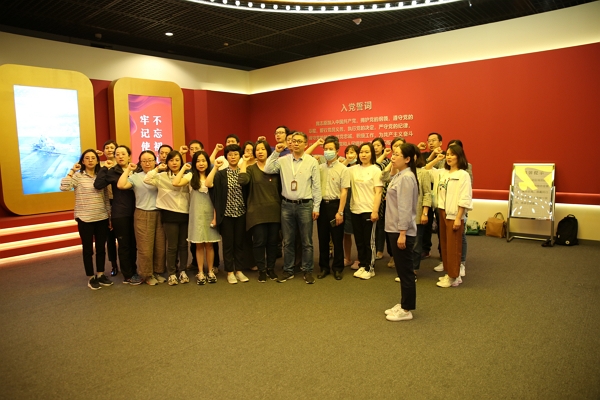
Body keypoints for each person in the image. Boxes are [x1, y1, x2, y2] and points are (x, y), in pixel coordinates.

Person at [264, 131, 321, 284]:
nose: (295, 143)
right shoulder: (283, 160)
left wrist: (316, 207)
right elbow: (268, 169)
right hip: (287, 205)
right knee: (288, 240)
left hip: (305, 205)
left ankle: (307, 270)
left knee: (307, 241)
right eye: (294, 141)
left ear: (306, 144)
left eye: (299, 141)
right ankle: (288, 270)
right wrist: (276, 152)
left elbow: (316, 186)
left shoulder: (311, 162)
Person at [60, 149, 112, 290]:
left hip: (101, 216)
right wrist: (72, 170)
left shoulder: (101, 176)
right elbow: (64, 187)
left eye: (93, 158)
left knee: (101, 248)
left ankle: (100, 274)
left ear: (97, 161)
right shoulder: (78, 176)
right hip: (85, 218)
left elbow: (106, 197)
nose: (90, 160)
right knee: (88, 249)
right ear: (82, 161)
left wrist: (109, 215)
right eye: (87, 158)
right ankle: (91, 277)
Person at [116, 150, 166, 285]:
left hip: (160, 213)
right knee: (145, 247)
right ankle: (147, 275)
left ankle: (157, 272)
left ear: (155, 161)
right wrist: (128, 169)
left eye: (150, 160)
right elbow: (121, 185)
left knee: (160, 246)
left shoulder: (160, 175)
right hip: (143, 213)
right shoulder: (136, 176)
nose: (147, 163)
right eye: (144, 161)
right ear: (140, 163)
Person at [427, 144, 473, 288]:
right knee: (446, 245)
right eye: (447, 154)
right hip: (442, 211)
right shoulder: (443, 172)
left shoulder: (463, 174)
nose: (449, 157)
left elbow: (465, 197)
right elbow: (426, 169)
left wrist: (459, 217)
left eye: (452, 154)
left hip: (454, 214)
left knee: (454, 246)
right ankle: (450, 273)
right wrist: (437, 158)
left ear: (459, 157)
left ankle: (455, 276)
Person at [94, 145, 141, 285]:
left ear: (129, 156)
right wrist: (104, 168)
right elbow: (98, 184)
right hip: (120, 213)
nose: (120, 156)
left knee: (133, 244)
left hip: (137, 211)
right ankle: (128, 275)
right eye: (117, 154)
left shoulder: (136, 170)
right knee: (124, 245)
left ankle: (134, 270)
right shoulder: (112, 172)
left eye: (123, 154)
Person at [144, 150, 192, 286]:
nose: (174, 163)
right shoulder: (162, 176)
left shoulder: (187, 175)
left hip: (185, 213)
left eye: (177, 160)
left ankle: (183, 271)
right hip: (169, 214)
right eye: (171, 160)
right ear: (167, 162)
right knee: (172, 246)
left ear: (181, 161)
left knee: (183, 245)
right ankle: (172, 273)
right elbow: (146, 179)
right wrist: (157, 168)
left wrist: (183, 170)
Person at [205, 144, 250, 284]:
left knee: (240, 243)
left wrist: (245, 162)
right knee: (228, 244)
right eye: (230, 154)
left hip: (241, 213)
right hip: (226, 215)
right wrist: (215, 167)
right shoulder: (221, 174)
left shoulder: (244, 172)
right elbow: (208, 184)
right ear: (226, 157)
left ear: (240, 156)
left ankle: (239, 270)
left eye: (236, 154)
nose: (233, 157)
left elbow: (245, 183)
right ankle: (230, 271)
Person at [384, 143, 419, 322]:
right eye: (393, 153)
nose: (393, 157)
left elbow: (405, 207)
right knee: (401, 270)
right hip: (394, 228)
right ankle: (404, 302)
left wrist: (403, 233)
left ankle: (407, 309)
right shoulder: (400, 174)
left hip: (401, 230)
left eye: (397, 154)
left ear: (407, 159)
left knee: (405, 272)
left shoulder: (406, 177)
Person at [239, 139, 282, 282]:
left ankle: (271, 269)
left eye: (263, 149)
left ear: (268, 151)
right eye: (257, 150)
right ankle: (262, 270)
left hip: (274, 210)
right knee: (259, 242)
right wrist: (244, 162)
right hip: (256, 212)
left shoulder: (275, 169)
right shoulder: (251, 169)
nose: (260, 152)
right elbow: (242, 181)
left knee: (272, 242)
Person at [183, 151, 220, 285]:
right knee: (198, 245)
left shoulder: (213, 175)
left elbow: (217, 199)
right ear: (194, 163)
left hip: (210, 214)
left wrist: (215, 217)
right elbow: (176, 182)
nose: (201, 163)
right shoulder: (190, 176)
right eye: (198, 161)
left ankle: (210, 271)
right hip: (196, 214)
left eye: (203, 160)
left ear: (208, 162)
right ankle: (200, 272)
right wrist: (183, 168)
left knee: (209, 245)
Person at [316, 136, 349, 280]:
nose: (327, 151)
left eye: (331, 149)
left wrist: (340, 212)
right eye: (325, 149)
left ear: (337, 150)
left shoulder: (343, 169)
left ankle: (338, 268)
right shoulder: (319, 168)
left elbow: (344, 191)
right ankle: (324, 267)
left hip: (336, 205)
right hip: (322, 205)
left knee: (337, 239)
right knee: (322, 239)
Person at [348, 142, 383, 280]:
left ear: (372, 154)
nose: (363, 154)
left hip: (369, 209)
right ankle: (362, 265)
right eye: (361, 152)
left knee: (370, 241)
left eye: (367, 152)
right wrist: (348, 159)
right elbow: (340, 169)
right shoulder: (353, 169)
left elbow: (378, 192)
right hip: (355, 209)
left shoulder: (376, 170)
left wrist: (375, 211)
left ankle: (370, 267)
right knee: (359, 240)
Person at [417, 132, 444, 259]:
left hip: (440, 195)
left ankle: (443, 251)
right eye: (429, 141)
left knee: (441, 224)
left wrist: (437, 156)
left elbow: (440, 169)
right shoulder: (424, 155)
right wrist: (432, 154)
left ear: (440, 142)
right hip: (426, 194)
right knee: (425, 224)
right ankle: (425, 249)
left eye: (434, 140)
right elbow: (423, 168)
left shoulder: (446, 156)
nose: (431, 143)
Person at [100, 139, 119, 276]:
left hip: (120, 202)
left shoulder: (122, 164)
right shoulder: (100, 166)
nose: (109, 150)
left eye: (112, 147)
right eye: (107, 148)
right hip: (105, 203)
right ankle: (114, 265)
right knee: (110, 237)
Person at [342, 144, 360, 270]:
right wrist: (346, 162)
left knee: (359, 233)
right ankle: (347, 258)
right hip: (346, 203)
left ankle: (359, 259)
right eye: (347, 153)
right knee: (346, 233)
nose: (350, 155)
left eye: (352, 152)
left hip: (358, 202)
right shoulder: (344, 167)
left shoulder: (361, 168)